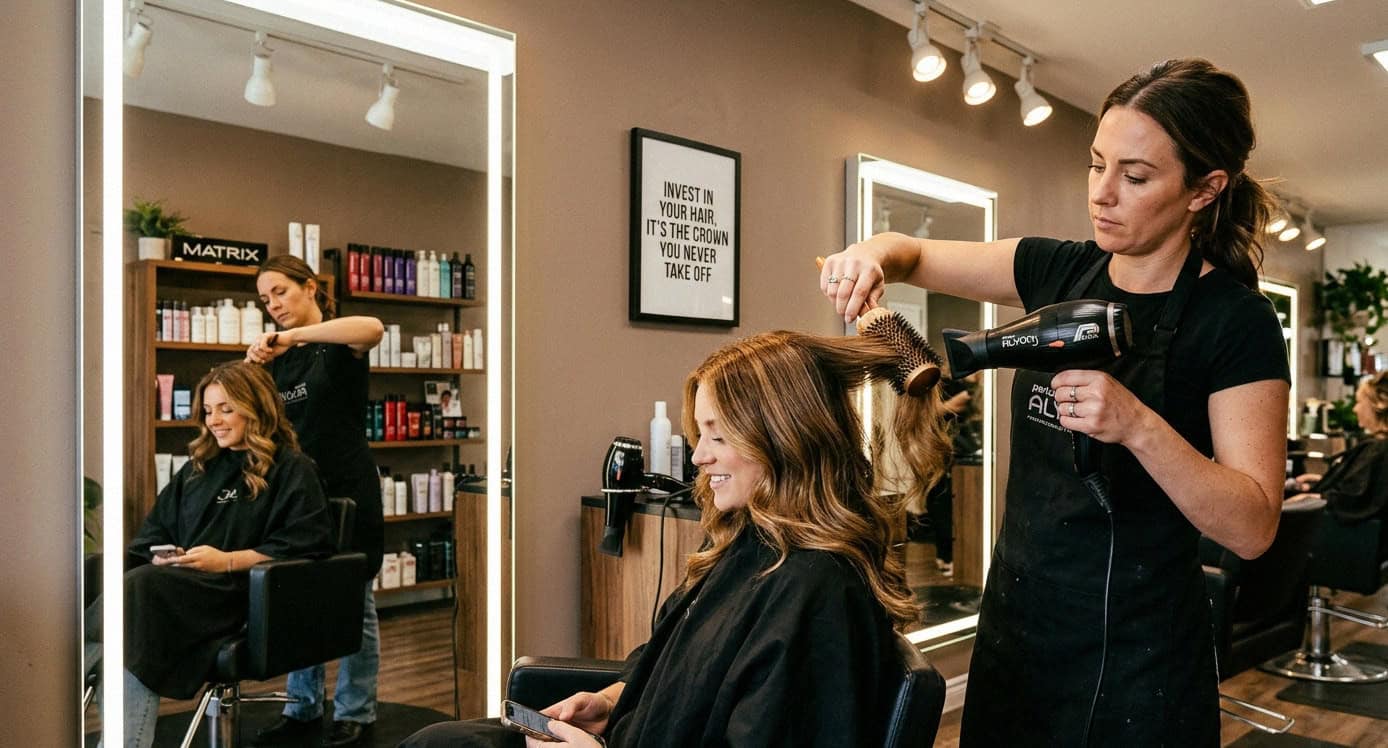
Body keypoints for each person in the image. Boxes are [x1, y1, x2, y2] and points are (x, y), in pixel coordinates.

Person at [819, 58, 1290, 745]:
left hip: (1141, 654)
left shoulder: (1234, 322)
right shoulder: (1055, 269)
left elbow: (1253, 526)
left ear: (1204, 188)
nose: (1102, 193)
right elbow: (910, 252)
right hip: (1018, 620)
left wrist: (1137, 426)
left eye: (1134, 177)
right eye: (1096, 164)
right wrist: (867, 255)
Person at [400, 329, 953, 747]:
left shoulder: (817, 593)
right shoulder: (753, 543)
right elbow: (685, 663)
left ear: (785, 436)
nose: (698, 455)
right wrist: (613, 700)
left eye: (718, 434)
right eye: (698, 433)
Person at [85, 361, 334, 748]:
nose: (214, 420)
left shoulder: (292, 469)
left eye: (226, 408)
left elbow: (307, 544)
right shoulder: (199, 468)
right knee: (93, 573)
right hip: (179, 587)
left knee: (139, 594)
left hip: (239, 597)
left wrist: (227, 560)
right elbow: (153, 534)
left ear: (256, 408)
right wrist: (162, 557)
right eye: (208, 410)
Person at [246, 255, 386, 747]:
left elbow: (372, 327)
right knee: (297, 599)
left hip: (349, 489)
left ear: (310, 288)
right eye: (265, 299)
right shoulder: (278, 359)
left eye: (280, 291)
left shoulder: (336, 344)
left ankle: (355, 711)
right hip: (299, 497)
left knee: (355, 603)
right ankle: (301, 705)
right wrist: (251, 367)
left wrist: (293, 336)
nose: (273, 305)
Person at [1287, 371, 1388, 523]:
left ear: (1379, 404)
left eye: (1359, 402)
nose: (1355, 409)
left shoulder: (1378, 449)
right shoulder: (1377, 446)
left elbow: (1353, 500)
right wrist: (1322, 480)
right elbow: (1359, 487)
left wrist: (1311, 497)